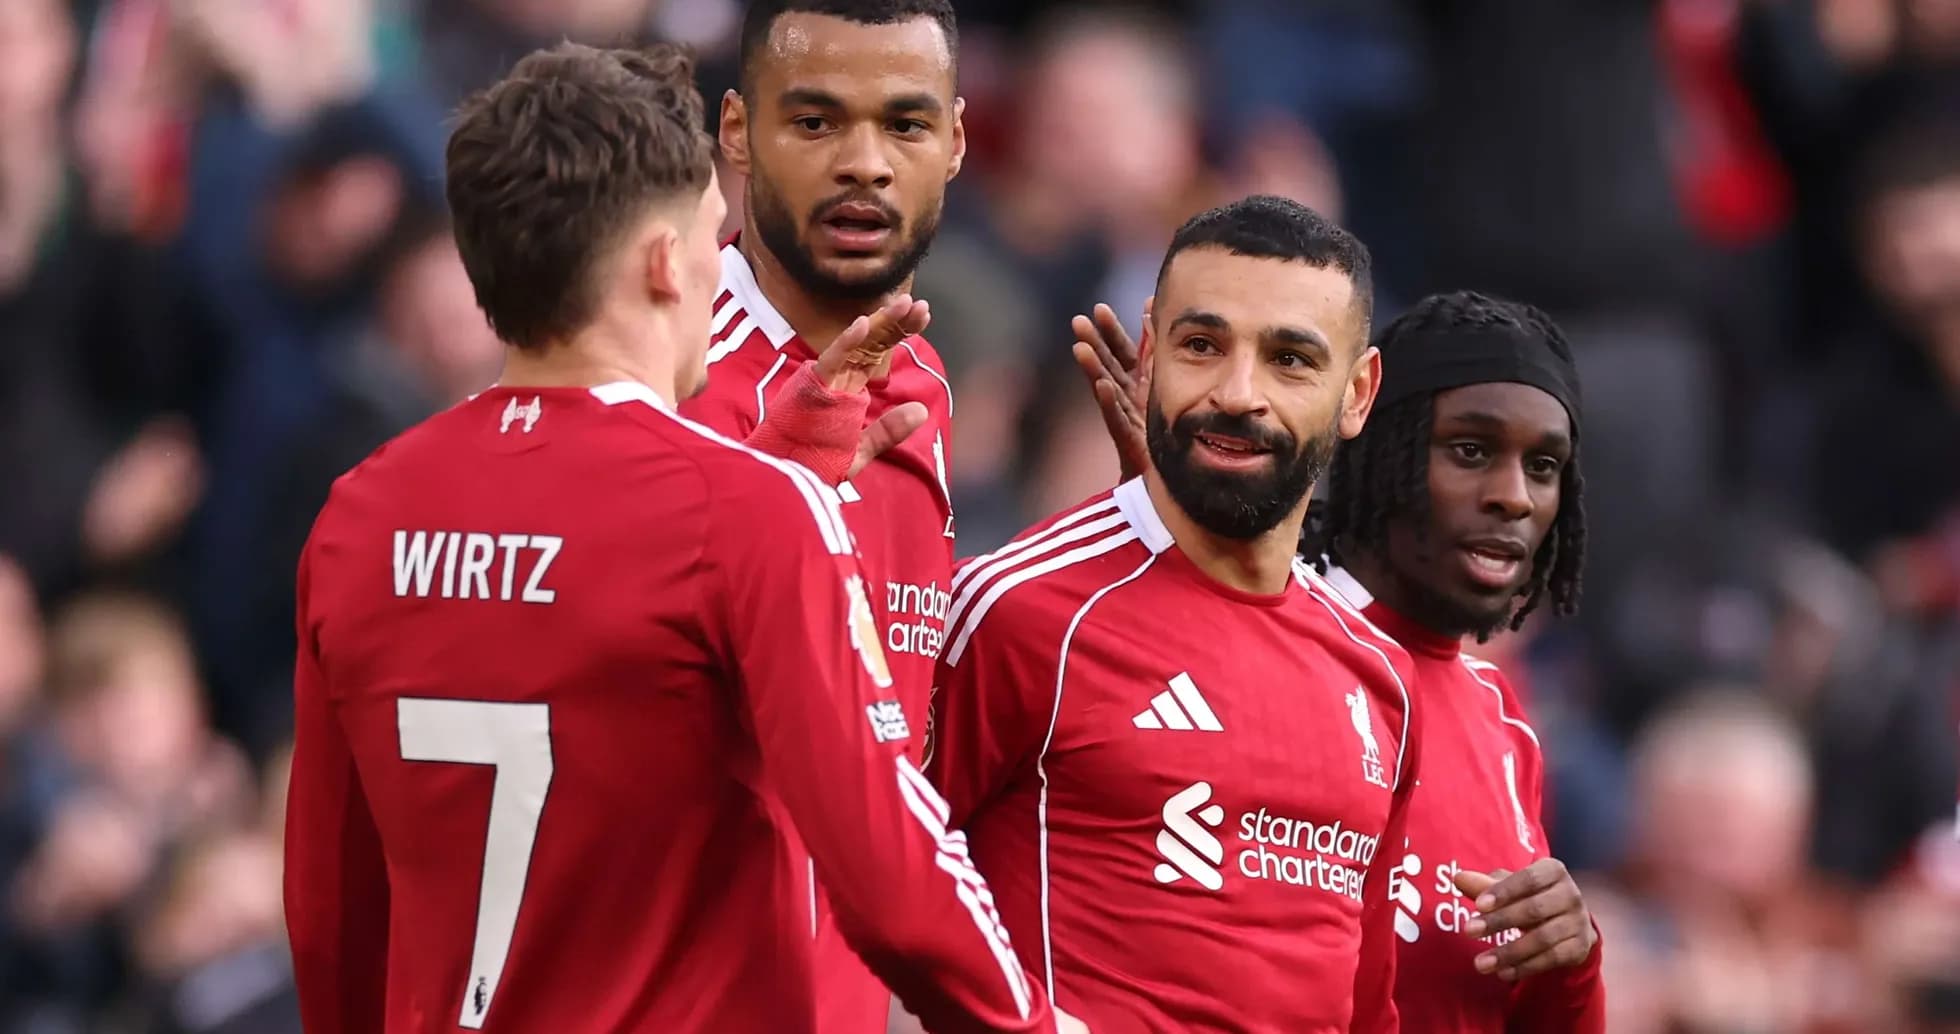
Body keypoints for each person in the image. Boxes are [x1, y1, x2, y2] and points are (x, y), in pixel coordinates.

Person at [281, 42, 1068, 1034]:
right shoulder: (741, 516)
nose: (715, 268)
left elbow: (330, 908)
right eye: (708, 236)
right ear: (663, 260)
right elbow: (890, 867)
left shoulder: (360, 513)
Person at [927, 195, 1419, 1031]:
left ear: (1358, 393)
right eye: (1202, 346)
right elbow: (855, 888)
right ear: (1150, 352)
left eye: (1290, 360)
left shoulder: (1380, 679)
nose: (1238, 393)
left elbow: (1366, 1009)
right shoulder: (1022, 612)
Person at [681, 2, 969, 1027]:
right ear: (735, 131)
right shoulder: (661, 379)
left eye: (905, 124)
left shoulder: (920, 378)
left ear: (956, 141)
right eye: (814, 122)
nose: (865, 164)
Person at [1301, 292, 1606, 1032]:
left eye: (1543, 466)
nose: (1513, 498)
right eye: (1470, 451)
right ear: (1382, 451)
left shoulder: (1506, 724)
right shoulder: (1275, 648)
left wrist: (1570, 966)